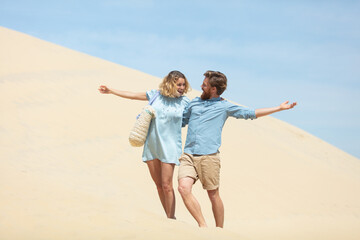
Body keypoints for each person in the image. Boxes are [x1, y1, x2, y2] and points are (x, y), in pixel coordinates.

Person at [178, 70, 297, 228]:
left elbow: (250, 113)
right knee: (183, 188)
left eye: (205, 85)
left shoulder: (224, 106)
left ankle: (220, 231)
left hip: (209, 157)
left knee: (213, 195)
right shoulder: (194, 103)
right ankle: (203, 226)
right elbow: (180, 121)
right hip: (189, 155)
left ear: (213, 89)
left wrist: (278, 108)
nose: (201, 86)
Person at [99, 71, 191, 219]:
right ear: (170, 83)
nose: (181, 87)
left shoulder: (186, 102)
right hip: (152, 145)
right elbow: (133, 95)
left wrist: (216, 100)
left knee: (167, 185)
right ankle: (168, 217)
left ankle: (171, 219)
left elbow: (200, 111)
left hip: (170, 147)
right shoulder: (156, 95)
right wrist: (111, 91)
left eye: (183, 85)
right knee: (159, 186)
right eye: (178, 84)